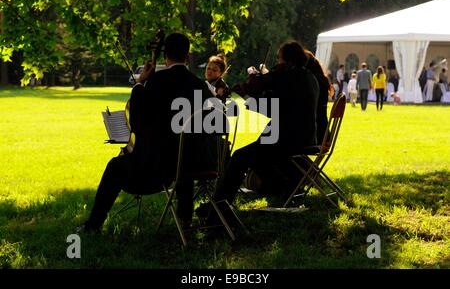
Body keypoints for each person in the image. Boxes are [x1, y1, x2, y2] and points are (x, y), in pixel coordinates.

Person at [80, 33, 216, 232]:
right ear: (187, 56)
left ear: (165, 57)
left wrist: (139, 84)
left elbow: (137, 121)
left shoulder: (156, 81)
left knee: (115, 166)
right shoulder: (200, 85)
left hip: (160, 165)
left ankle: (93, 226)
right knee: (183, 151)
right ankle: (185, 221)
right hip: (194, 162)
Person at [206, 40, 319, 223]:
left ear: (288, 61)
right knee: (256, 156)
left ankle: (218, 208)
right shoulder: (309, 77)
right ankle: (284, 188)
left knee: (240, 156)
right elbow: (276, 103)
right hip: (304, 137)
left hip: (287, 139)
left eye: (279, 58)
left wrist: (249, 92)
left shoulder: (287, 77)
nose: (277, 63)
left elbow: (267, 104)